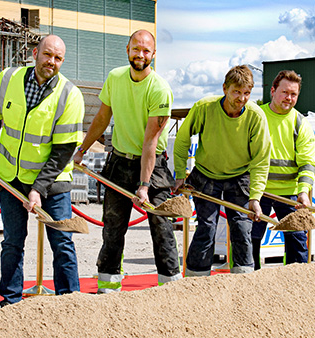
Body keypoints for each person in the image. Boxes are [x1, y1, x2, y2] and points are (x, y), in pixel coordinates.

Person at [0, 35, 84, 306]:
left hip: (52, 184)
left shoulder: (70, 95)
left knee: (62, 242)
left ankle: (71, 304)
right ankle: (11, 304)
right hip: (11, 179)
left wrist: (38, 190)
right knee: (12, 244)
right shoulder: (8, 79)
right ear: (35, 53)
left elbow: (62, 152)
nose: (51, 62)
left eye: (58, 58)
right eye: (47, 55)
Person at [74, 30, 181, 292]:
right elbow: (101, 118)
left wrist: (144, 185)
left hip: (153, 165)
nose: (140, 55)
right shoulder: (115, 78)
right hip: (119, 162)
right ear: (127, 49)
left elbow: (150, 143)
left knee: (162, 226)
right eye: (136, 49)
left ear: (153, 55)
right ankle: (108, 287)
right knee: (112, 226)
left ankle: (170, 289)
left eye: (146, 51)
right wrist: (82, 150)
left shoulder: (160, 89)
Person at [173, 65, 271, 276]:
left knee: (242, 228)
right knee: (206, 228)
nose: (242, 98)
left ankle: (244, 278)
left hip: (240, 176)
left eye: (247, 93)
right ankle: (195, 279)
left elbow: (261, 160)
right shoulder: (204, 108)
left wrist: (255, 197)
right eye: (237, 92)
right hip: (206, 174)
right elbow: (182, 140)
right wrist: (180, 174)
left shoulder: (256, 116)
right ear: (225, 88)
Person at [251, 70, 315, 270]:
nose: (289, 98)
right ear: (273, 91)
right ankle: (246, 284)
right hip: (257, 191)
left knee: (297, 242)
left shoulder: (299, 123)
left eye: (294, 94)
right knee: (248, 240)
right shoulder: (255, 116)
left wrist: (303, 193)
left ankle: (296, 286)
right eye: (285, 92)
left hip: (289, 194)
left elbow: (307, 162)